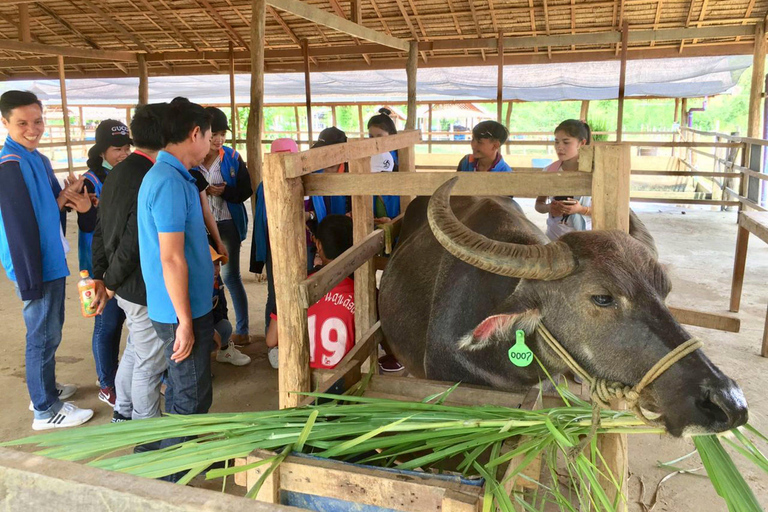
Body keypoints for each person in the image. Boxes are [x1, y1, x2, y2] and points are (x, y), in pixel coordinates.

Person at [0, 90, 94, 430]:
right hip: (33, 263)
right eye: (22, 123)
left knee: (50, 330)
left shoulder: (36, 158)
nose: (32, 128)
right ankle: (44, 409)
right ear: (5, 122)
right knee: (40, 332)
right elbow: (16, 226)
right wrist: (29, 277)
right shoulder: (9, 165)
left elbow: (46, 210)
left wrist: (66, 196)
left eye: (37, 121)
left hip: (50, 256)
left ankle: (46, 388)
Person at [137, 97, 215, 471]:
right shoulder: (167, 181)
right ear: (194, 133)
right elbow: (170, 257)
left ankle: (172, 455)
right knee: (188, 394)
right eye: (210, 134)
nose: (213, 143)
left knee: (193, 388)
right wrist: (185, 321)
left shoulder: (177, 176)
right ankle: (169, 474)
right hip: (179, 311)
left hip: (186, 305)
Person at [92, 102, 170, 423]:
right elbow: (134, 240)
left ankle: (123, 412)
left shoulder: (117, 171)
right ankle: (146, 426)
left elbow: (100, 229)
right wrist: (109, 280)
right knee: (150, 364)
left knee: (136, 351)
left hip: (123, 284)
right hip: (139, 284)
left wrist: (103, 275)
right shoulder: (150, 175)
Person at [82, 119, 132, 407]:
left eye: (127, 147)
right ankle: (107, 383)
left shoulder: (129, 173)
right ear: (102, 151)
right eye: (117, 149)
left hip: (122, 261)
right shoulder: (92, 180)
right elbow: (89, 225)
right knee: (107, 323)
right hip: (99, 264)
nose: (124, 153)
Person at [266, 215, 354, 370]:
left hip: (304, 378)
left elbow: (271, 340)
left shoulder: (297, 286)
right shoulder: (360, 289)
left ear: (318, 245)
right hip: (345, 383)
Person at [196, 107, 253, 346]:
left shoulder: (232, 157)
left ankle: (242, 329)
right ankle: (219, 329)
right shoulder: (192, 159)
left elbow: (246, 190)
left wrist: (225, 192)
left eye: (223, 134)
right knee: (207, 280)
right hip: (200, 228)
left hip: (227, 223)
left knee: (230, 277)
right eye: (214, 134)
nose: (219, 139)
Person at [251, 138, 298, 343]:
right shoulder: (265, 186)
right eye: (279, 156)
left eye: (288, 155)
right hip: (275, 248)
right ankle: (274, 344)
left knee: (300, 289)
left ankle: (296, 337)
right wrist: (261, 255)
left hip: (302, 245)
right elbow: (262, 222)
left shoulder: (304, 180)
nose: (284, 161)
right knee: (275, 291)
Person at [534, 119, 593, 240]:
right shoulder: (549, 171)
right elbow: (539, 205)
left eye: (566, 142)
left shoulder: (594, 173)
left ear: (582, 143)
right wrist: (550, 207)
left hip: (587, 240)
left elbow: (607, 211)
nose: (559, 147)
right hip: (554, 238)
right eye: (556, 142)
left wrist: (581, 209)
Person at [210, 246, 251, 366]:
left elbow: (221, 309)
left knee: (225, 326)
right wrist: (209, 331)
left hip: (204, 328)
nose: (215, 270)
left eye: (217, 265)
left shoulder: (217, 283)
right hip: (187, 332)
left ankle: (224, 351)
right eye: (210, 264)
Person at [367, 108, 400, 225]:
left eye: (379, 136)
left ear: (391, 136)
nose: (375, 141)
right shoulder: (367, 160)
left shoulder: (400, 163)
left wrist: (393, 222)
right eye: (371, 136)